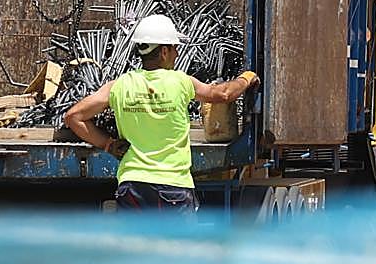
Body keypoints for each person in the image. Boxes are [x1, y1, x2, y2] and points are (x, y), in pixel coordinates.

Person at [63, 14, 259, 213]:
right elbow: (222, 94)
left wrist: (107, 144)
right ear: (164, 51)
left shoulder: (120, 85)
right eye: (175, 48)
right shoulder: (181, 82)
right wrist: (246, 78)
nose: (177, 53)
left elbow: (73, 117)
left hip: (132, 186)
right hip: (173, 188)